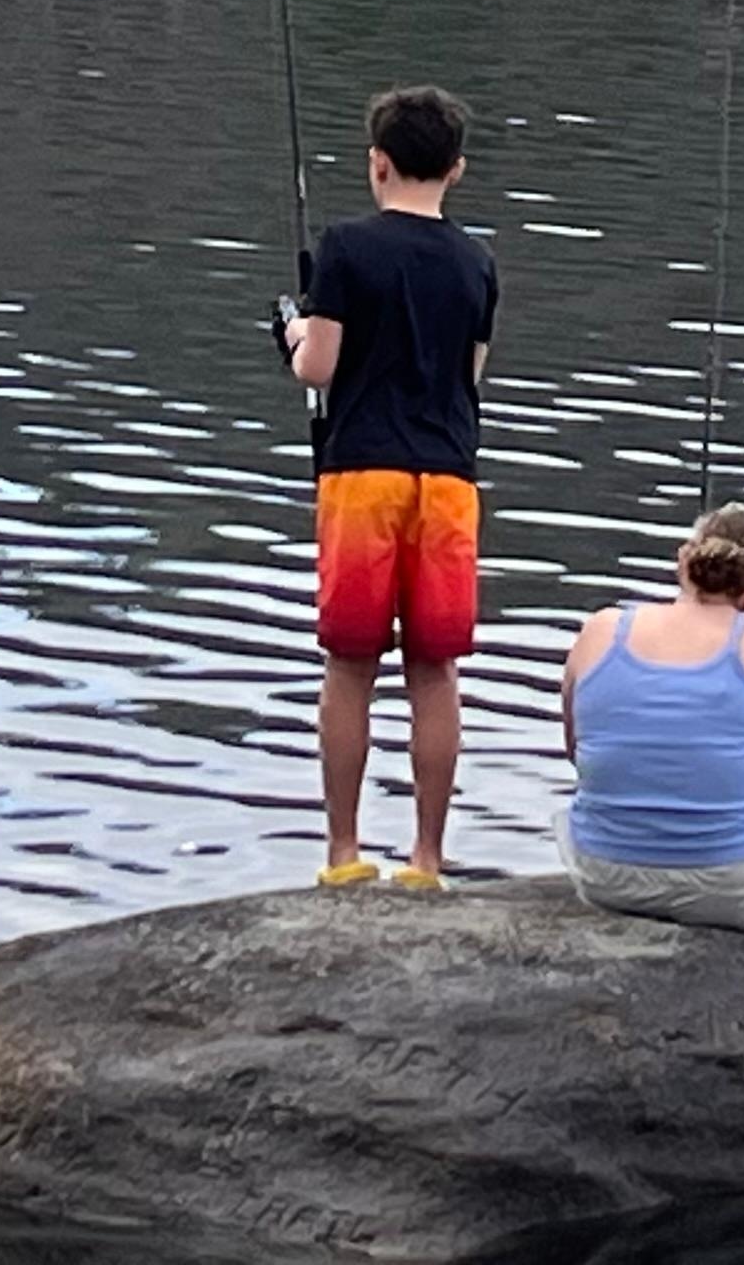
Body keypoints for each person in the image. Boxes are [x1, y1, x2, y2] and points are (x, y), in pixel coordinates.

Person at [282, 84, 498, 890]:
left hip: (362, 476)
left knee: (349, 666)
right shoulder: (478, 262)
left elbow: (319, 368)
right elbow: (469, 377)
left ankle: (343, 854)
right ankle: (427, 859)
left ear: (377, 163)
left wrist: (295, 329)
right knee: (435, 672)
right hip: (446, 482)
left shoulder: (345, 248)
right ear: (457, 171)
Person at [558, 503, 744, 934]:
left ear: (685, 559)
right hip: (733, 892)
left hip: (604, 877)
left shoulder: (603, 628)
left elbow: (577, 750)